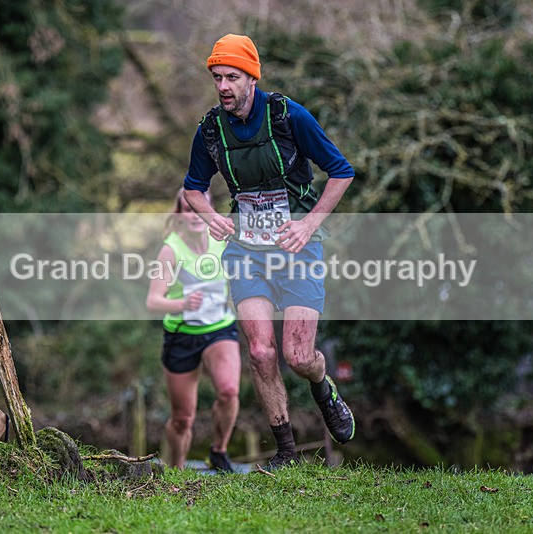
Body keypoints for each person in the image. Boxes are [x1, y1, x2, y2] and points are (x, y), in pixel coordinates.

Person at [183, 34, 356, 470]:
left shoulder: (288, 116)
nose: (223, 86)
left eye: (232, 77)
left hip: (297, 248)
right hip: (246, 251)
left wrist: (309, 224)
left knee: (299, 356)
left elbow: (341, 171)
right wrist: (212, 218)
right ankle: (286, 452)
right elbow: (193, 189)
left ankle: (324, 389)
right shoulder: (210, 130)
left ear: (251, 78)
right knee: (261, 352)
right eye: (217, 78)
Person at [146, 187, 241, 473]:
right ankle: (176, 470)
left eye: (200, 208)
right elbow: (153, 301)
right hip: (182, 334)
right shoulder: (170, 249)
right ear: (180, 215)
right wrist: (183, 304)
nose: (196, 215)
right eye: (188, 209)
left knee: (229, 391)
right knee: (182, 419)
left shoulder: (223, 239)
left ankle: (219, 451)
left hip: (220, 329)